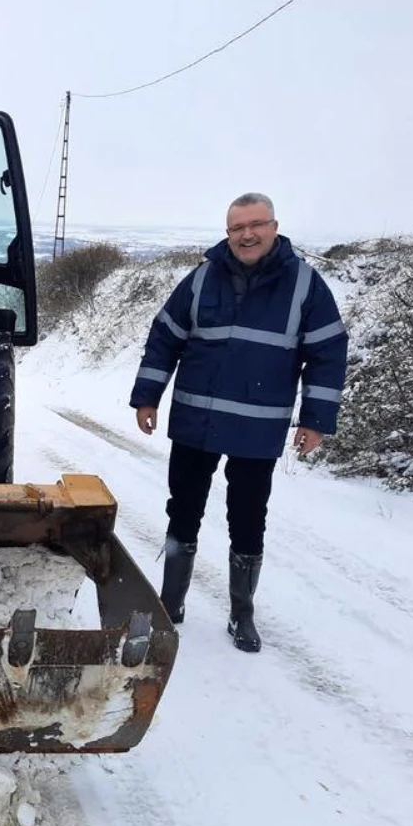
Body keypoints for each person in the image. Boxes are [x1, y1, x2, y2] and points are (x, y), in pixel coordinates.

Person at [129, 192, 348, 653]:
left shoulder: (306, 285)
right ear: (227, 233)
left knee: (248, 520)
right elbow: (164, 337)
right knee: (182, 510)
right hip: (196, 422)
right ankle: (172, 600)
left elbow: (327, 354)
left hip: (257, 429)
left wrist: (316, 420)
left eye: (256, 225)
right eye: (236, 228)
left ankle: (241, 612)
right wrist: (147, 397)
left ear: (274, 226)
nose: (246, 235)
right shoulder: (203, 278)